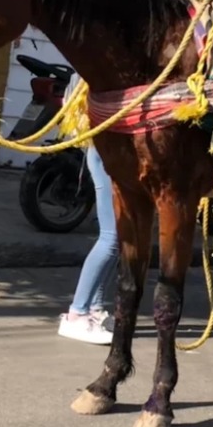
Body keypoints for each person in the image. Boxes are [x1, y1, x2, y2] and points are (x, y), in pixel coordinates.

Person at [57, 73, 119, 345]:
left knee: (120, 238)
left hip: (105, 149)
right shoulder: (97, 68)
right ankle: (76, 314)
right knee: (111, 237)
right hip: (104, 150)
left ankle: (94, 309)